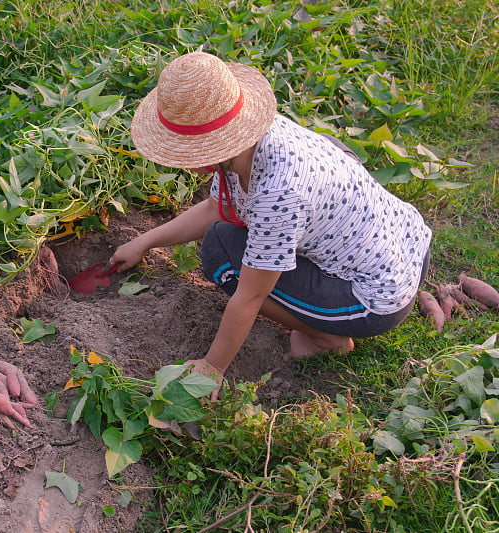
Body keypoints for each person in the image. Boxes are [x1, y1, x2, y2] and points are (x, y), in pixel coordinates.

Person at [107, 51, 431, 397]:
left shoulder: (278, 193)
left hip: (376, 295)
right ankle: (324, 317)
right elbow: (216, 209)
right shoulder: (252, 141)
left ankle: (327, 337)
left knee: (220, 256)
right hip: (404, 240)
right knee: (224, 235)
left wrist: (211, 367)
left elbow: (251, 295)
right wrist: (143, 242)